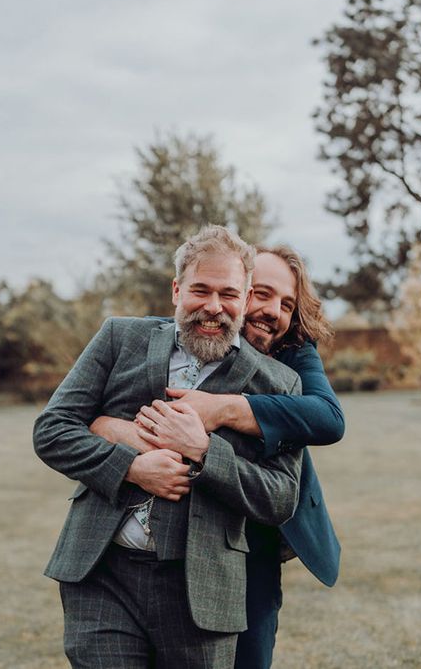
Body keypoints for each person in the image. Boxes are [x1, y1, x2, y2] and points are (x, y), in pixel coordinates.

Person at [33, 226, 304, 668]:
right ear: (177, 290)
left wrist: (204, 453)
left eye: (229, 294)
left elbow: (280, 497)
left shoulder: (278, 384)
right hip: (103, 574)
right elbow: (52, 430)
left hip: (201, 591)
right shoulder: (120, 338)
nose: (213, 307)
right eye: (200, 290)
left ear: (246, 295)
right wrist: (130, 466)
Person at [93, 244, 344, 669]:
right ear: (240, 291)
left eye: (286, 303)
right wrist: (115, 430)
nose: (272, 311)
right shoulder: (168, 342)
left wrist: (225, 408)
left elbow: (329, 419)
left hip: (256, 532)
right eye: (261, 294)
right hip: (171, 541)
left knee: (249, 655)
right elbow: (97, 413)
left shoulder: (290, 354)